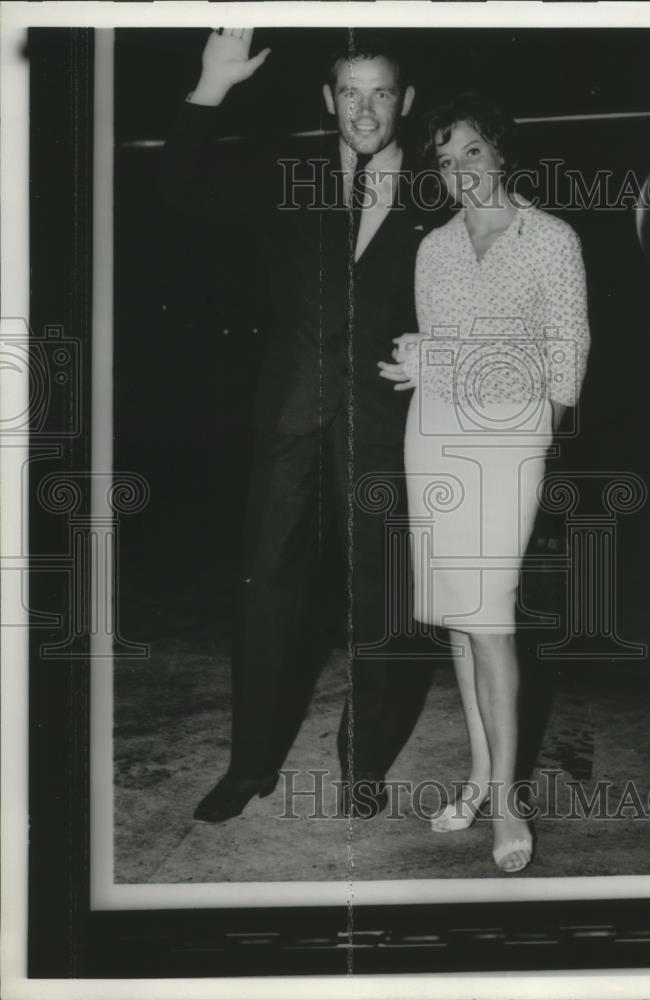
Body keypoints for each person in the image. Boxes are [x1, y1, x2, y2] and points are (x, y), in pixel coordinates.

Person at [161, 28, 446, 823]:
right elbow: (180, 186)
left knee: (386, 602)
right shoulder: (287, 178)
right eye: (350, 92)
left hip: (389, 426)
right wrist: (210, 87)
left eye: (381, 92)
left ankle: (365, 764)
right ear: (329, 101)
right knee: (267, 598)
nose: (365, 109)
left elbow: (496, 293)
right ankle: (248, 766)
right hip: (289, 418)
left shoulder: (439, 192)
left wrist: (447, 355)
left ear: (406, 102)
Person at [378, 95, 590, 872]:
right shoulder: (432, 248)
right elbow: (437, 348)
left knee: (490, 615)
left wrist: (451, 369)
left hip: (511, 440)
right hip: (434, 434)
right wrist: (419, 359)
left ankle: (506, 802)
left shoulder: (552, 240)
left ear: (500, 154)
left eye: (472, 151)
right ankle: (479, 775)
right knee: (461, 623)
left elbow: (563, 365)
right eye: (444, 159)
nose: (460, 170)